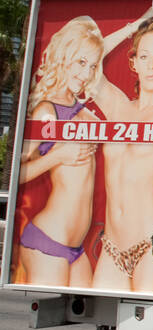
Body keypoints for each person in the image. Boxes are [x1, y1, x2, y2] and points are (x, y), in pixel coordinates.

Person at [87, 11, 153, 293]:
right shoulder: (118, 107)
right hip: (111, 247)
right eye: (144, 57)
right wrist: (136, 24)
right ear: (133, 63)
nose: (152, 65)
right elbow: (87, 60)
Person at [14, 17, 104, 287]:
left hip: (75, 248)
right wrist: (57, 156)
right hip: (48, 240)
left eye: (92, 65)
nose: (86, 73)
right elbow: (17, 173)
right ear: (64, 57)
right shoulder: (47, 111)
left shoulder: (84, 113)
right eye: (80, 62)